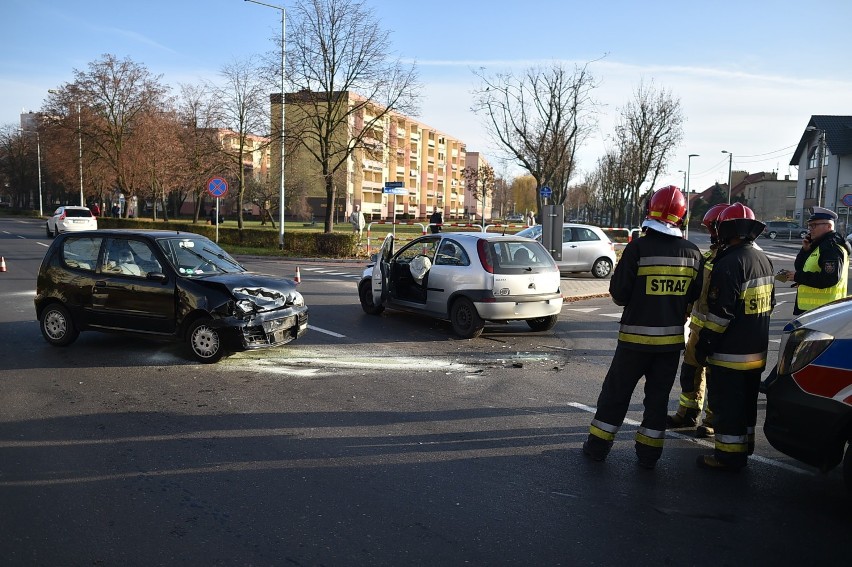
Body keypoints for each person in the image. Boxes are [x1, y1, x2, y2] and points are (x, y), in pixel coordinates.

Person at [582, 186, 703, 470]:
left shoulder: (637, 248)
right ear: (681, 217)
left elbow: (619, 294)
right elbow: (694, 295)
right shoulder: (693, 253)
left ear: (650, 211)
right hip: (670, 345)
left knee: (616, 395)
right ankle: (649, 455)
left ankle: (598, 447)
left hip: (633, 343)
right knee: (658, 401)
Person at [694, 203, 775, 471]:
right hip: (756, 353)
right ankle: (745, 446)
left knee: (727, 408)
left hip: (730, 356)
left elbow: (720, 315)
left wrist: (705, 344)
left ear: (727, 230)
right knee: (746, 406)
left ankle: (727, 456)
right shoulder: (763, 260)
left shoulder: (728, 264)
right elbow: (770, 304)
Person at [666, 203, 729, 438]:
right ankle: (688, 412)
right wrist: (685, 311)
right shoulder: (711, 255)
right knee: (690, 372)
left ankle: (712, 421)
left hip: (718, 331)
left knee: (715, 377)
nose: (711, 233)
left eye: (713, 228)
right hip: (698, 328)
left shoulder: (731, 257)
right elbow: (697, 289)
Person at [776, 206, 849, 315]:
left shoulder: (830, 247)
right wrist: (805, 250)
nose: (810, 229)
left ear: (828, 226)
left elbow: (829, 278)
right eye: (809, 225)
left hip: (823, 310)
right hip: (813, 309)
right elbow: (800, 267)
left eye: (814, 225)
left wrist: (797, 276)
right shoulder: (819, 244)